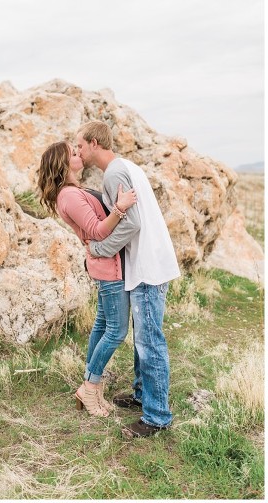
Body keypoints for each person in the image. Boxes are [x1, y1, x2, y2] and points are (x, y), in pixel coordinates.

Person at [76, 120, 181, 438]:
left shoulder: (114, 173)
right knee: (143, 339)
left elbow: (131, 222)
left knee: (150, 342)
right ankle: (141, 395)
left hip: (147, 266)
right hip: (147, 263)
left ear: (94, 143)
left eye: (80, 145)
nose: (78, 151)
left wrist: (98, 248)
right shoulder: (125, 166)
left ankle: (157, 416)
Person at [38, 141, 137, 417]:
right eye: (72, 153)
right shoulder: (68, 196)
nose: (78, 153)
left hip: (105, 263)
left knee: (103, 324)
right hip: (107, 266)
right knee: (116, 331)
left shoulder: (73, 191)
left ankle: (91, 386)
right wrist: (120, 207)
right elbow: (97, 231)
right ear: (62, 163)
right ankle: (90, 387)